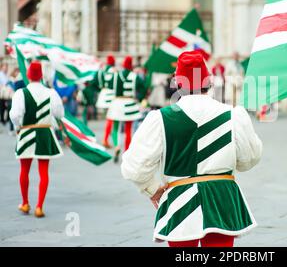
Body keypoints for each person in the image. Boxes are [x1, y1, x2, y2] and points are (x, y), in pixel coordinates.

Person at [121, 50, 262, 247]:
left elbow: (134, 167)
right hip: (222, 198)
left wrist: (152, 190)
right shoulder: (233, 115)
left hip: (180, 200)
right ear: (209, 81)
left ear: (177, 83)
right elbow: (249, 159)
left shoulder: (160, 118)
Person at [9, 62, 64, 217]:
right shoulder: (51, 93)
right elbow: (60, 114)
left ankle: (25, 203)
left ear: (28, 75)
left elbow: (14, 116)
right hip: (44, 134)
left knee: (24, 170)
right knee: (44, 171)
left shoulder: (21, 93)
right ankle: (39, 206)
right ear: (41, 76)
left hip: (26, 133)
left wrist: (19, 126)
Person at [107, 56, 145, 162]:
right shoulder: (135, 76)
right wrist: (140, 99)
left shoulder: (116, 75)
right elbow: (143, 87)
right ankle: (126, 152)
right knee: (128, 129)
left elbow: (109, 86)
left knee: (116, 128)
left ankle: (117, 146)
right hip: (130, 103)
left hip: (117, 103)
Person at [94, 55, 116, 148]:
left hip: (103, 93)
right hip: (111, 94)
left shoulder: (102, 69)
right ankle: (106, 139)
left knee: (110, 117)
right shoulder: (113, 70)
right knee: (111, 118)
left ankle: (108, 137)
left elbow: (96, 80)